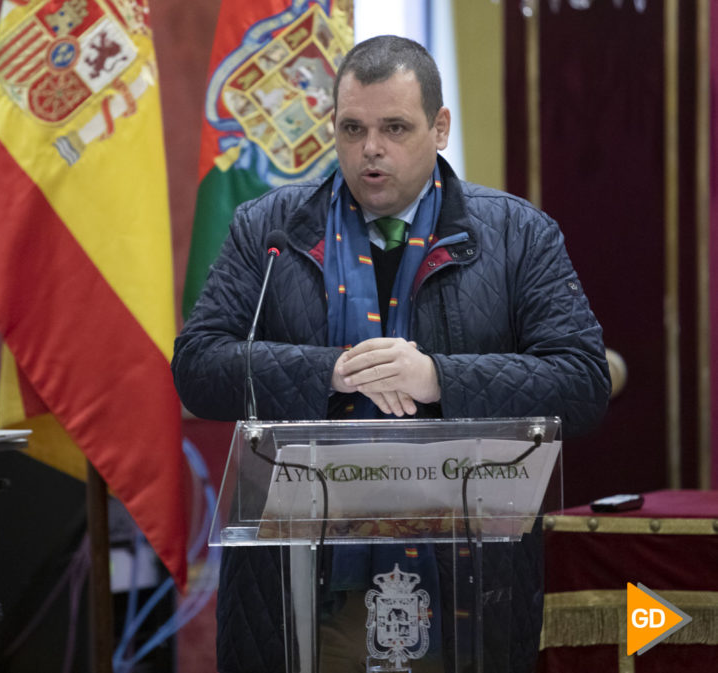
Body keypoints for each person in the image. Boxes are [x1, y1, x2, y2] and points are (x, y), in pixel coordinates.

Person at [172, 35, 610, 673]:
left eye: (394, 128)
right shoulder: (267, 230)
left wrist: (438, 378)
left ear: (439, 128)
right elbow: (197, 368)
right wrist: (330, 369)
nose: (370, 149)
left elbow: (581, 382)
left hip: (466, 578)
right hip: (301, 587)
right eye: (352, 128)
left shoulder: (518, 235)